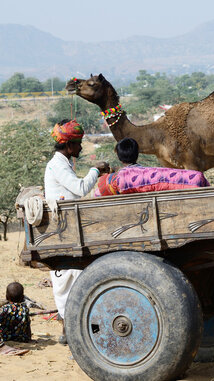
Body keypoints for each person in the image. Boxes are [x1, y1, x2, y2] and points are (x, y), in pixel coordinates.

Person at [44, 119, 109, 344]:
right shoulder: (58, 165)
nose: (81, 148)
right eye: (79, 143)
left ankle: (72, 329)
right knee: (68, 283)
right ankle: (72, 331)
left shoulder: (63, 163)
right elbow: (80, 189)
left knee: (73, 282)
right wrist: (95, 170)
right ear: (69, 145)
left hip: (69, 228)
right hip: (64, 232)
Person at [0, 282, 30, 356]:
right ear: (23, 297)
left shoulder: (5, 309)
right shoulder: (25, 309)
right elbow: (28, 324)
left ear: (7, 296)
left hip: (6, 337)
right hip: (21, 338)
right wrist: (28, 337)